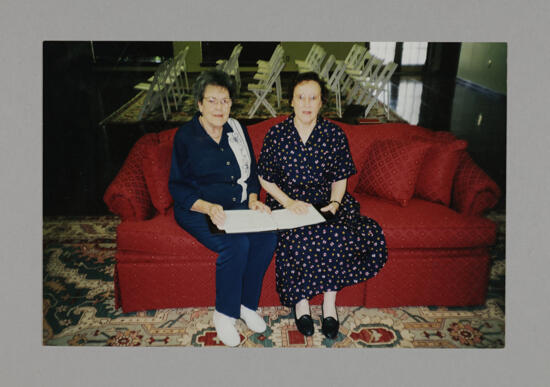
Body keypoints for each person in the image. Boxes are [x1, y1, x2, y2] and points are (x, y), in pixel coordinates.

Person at [257, 72, 388, 339]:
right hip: (288, 200)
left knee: (336, 234)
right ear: (291, 102)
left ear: (321, 102)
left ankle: (329, 305)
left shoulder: (333, 134)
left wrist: (335, 204)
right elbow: (265, 178)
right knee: (297, 237)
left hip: (324, 201)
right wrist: (289, 202)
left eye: (313, 98)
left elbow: (341, 177)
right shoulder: (277, 134)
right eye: (300, 97)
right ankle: (301, 302)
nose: (306, 103)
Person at [169, 70, 277, 347]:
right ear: (200, 104)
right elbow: (179, 187)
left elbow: (251, 175)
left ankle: (246, 306)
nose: (220, 108)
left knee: (267, 236)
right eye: (212, 101)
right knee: (237, 244)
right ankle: (224, 315)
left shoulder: (237, 130)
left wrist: (253, 199)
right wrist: (208, 207)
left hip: (238, 206)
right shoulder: (186, 136)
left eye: (225, 101)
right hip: (198, 209)